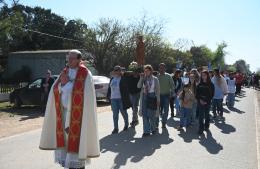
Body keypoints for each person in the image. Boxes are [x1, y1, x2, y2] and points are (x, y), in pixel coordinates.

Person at [39, 50, 100, 169]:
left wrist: (66, 85)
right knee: (66, 145)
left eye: (72, 58)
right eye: (68, 58)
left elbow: (85, 94)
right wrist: (62, 84)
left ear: (79, 59)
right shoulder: (65, 71)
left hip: (79, 117)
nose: (69, 61)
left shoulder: (85, 74)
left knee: (76, 146)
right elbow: (55, 89)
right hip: (64, 114)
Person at [107, 65, 131, 134]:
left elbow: (126, 89)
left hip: (121, 99)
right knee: (115, 114)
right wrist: (108, 96)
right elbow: (109, 88)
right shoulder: (112, 79)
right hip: (113, 99)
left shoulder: (123, 78)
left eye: (118, 70)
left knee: (123, 113)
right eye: (115, 70)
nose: (116, 71)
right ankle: (116, 128)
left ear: (120, 71)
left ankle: (126, 124)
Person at [137, 65, 160, 137]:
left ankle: (153, 128)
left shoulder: (155, 79)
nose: (146, 72)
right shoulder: (143, 78)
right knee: (145, 114)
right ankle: (146, 131)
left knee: (151, 115)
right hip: (144, 97)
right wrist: (141, 79)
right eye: (145, 71)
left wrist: (158, 100)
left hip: (152, 96)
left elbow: (158, 91)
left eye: (147, 71)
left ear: (151, 71)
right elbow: (138, 86)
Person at [196, 70, 215, 135]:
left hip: (207, 102)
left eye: (205, 75)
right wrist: (200, 100)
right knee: (201, 116)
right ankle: (201, 128)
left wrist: (206, 101)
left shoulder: (211, 84)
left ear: (207, 75)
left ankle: (206, 126)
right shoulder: (199, 84)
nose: (203, 76)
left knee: (207, 115)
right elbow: (197, 94)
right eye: (202, 75)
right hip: (200, 102)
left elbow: (212, 94)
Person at [157, 63, 174, 129]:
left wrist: (172, 93)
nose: (161, 69)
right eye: (160, 68)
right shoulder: (156, 76)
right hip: (158, 96)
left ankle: (164, 122)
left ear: (165, 68)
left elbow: (172, 85)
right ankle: (156, 123)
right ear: (159, 68)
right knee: (157, 110)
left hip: (166, 96)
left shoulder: (168, 76)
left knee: (166, 110)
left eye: (163, 68)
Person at [126, 62, 141, 127]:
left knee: (134, 107)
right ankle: (136, 119)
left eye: (134, 65)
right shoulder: (129, 74)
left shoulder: (139, 75)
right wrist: (131, 73)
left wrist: (137, 74)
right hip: (130, 93)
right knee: (133, 107)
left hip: (136, 93)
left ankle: (134, 120)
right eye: (132, 65)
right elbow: (124, 74)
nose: (133, 66)